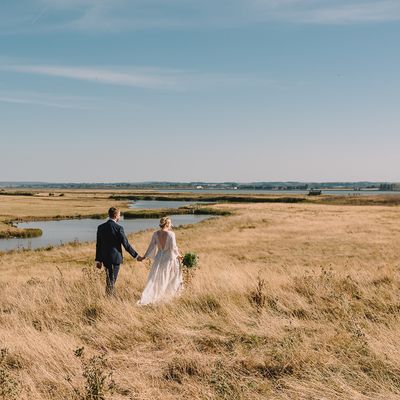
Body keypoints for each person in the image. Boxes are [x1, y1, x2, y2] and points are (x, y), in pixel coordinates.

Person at [95, 207, 142, 295]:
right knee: (111, 281)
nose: (120, 216)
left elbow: (98, 245)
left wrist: (98, 260)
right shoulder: (119, 228)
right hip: (115, 259)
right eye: (119, 215)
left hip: (105, 258)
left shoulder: (101, 227)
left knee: (109, 280)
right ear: (116, 215)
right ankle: (109, 300)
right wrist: (136, 256)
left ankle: (109, 299)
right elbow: (126, 245)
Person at [138, 216, 183, 305]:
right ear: (167, 224)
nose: (171, 225)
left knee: (157, 277)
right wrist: (179, 255)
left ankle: (156, 294)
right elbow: (173, 248)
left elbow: (151, 247)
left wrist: (144, 256)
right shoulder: (171, 234)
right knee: (169, 277)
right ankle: (164, 296)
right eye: (170, 223)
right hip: (169, 259)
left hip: (158, 258)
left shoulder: (155, 234)